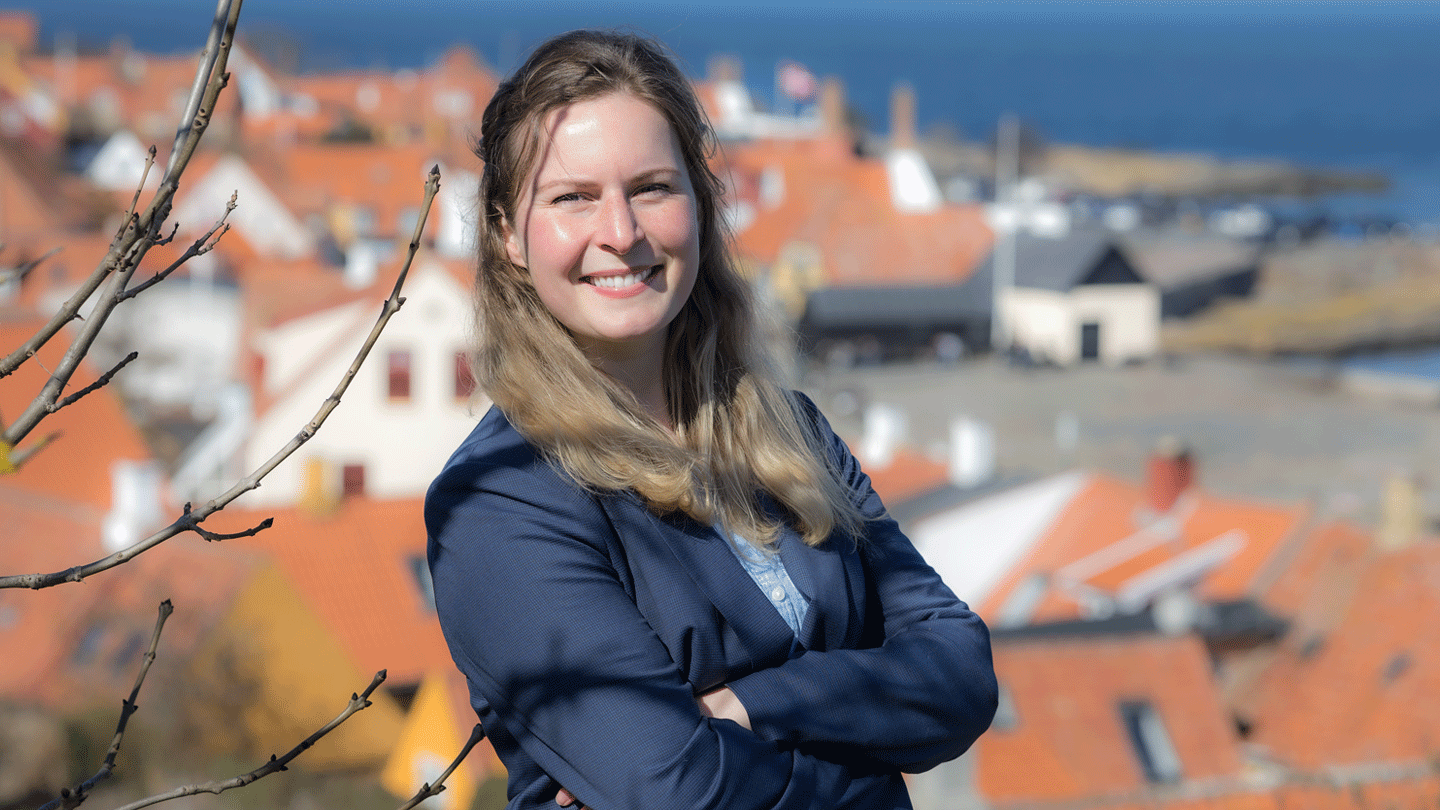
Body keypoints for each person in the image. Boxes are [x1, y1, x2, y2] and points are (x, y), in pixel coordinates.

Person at [425, 29, 997, 810]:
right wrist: (868, 764)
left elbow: (960, 673)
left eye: (653, 188)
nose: (620, 232)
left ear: (699, 204)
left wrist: (756, 705)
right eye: (573, 198)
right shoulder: (503, 501)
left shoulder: (790, 432)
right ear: (506, 235)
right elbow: (680, 788)